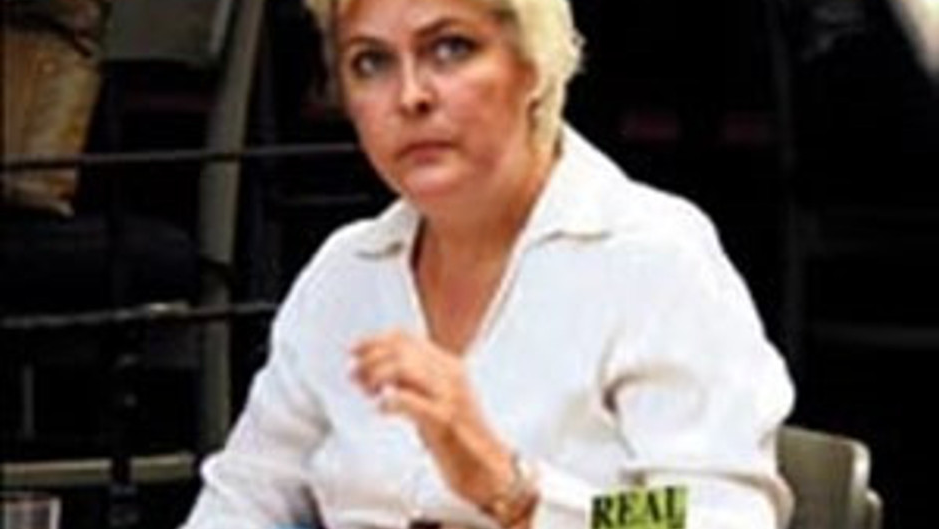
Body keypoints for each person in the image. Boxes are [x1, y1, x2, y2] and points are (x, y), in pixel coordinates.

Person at [181, 0, 795, 528]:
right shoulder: (344, 272)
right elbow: (245, 498)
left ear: (534, 65)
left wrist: (515, 492)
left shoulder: (652, 258)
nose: (410, 95)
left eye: (450, 49)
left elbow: (707, 515)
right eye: (371, 62)